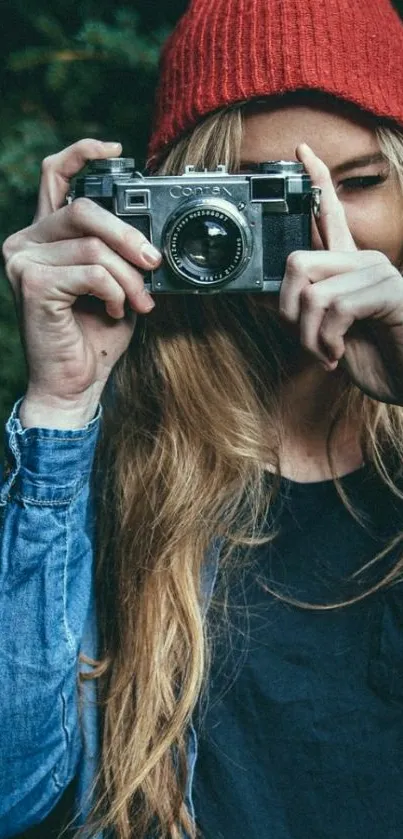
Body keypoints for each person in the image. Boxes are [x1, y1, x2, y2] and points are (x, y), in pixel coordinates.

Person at [1, 0, 403, 836]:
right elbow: (11, 792)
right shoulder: (94, 456)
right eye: (261, 194)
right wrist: (60, 412)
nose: (318, 233)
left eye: (358, 183)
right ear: (167, 208)